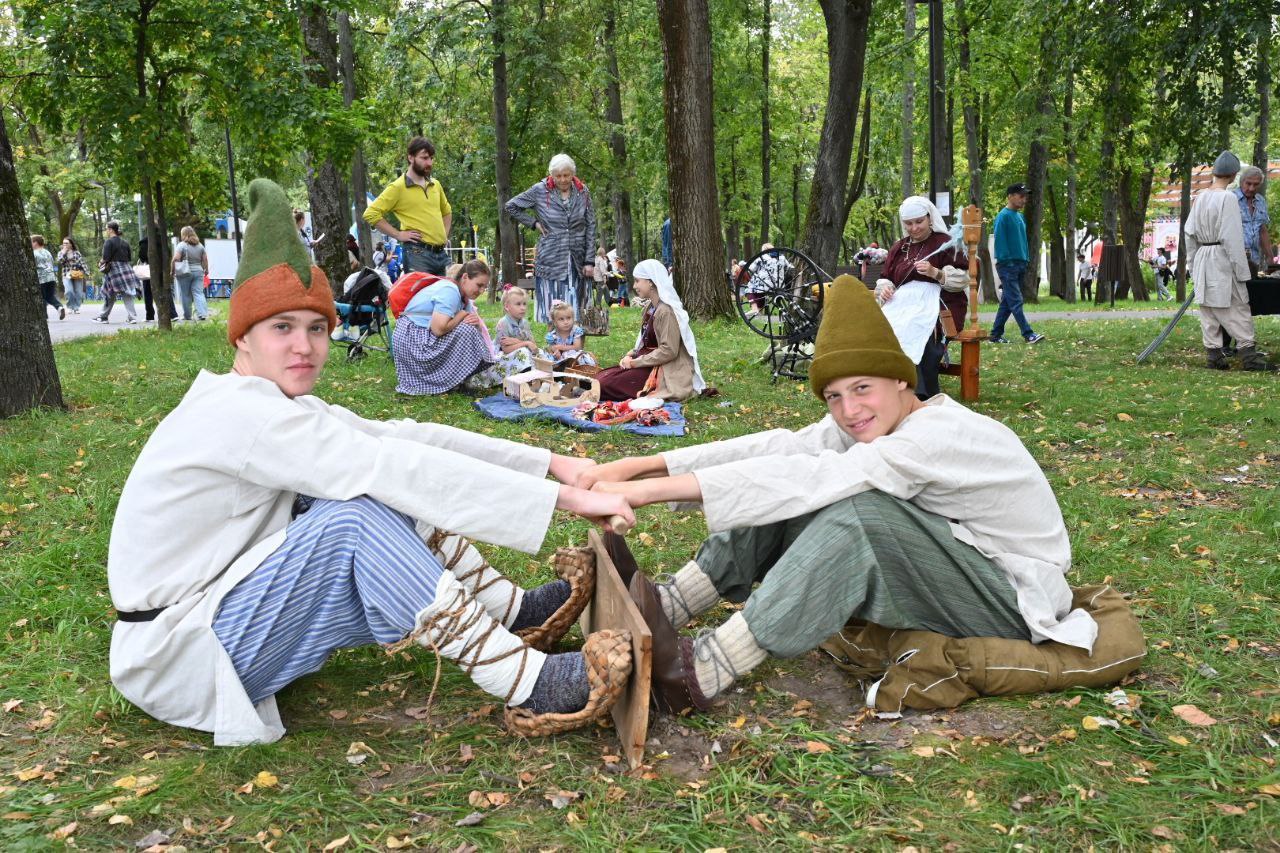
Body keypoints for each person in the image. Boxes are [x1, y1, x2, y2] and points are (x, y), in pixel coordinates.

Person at [107, 178, 635, 747]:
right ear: (242, 339)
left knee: (378, 482)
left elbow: (400, 437)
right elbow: (388, 465)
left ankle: (511, 614)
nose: (303, 347)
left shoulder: (270, 403)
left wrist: (553, 464)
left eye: (315, 328)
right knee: (357, 515)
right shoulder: (243, 414)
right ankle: (529, 683)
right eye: (281, 328)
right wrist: (567, 498)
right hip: (182, 653)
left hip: (216, 614)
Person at [580, 275, 1101, 715]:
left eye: (862, 388)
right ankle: (672, 604)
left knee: (859, 512)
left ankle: (700, 674)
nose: (849, 409)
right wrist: (642, 464)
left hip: (1011, 600)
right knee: (787, 471)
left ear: (901, 381)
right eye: (834, 396)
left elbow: (815, 482)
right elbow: (781, 450)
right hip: (959, 566)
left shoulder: (938, 434)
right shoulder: (879, 424)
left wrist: (647, 493)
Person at [1186, 151, 1274, 371]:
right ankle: (1249, 358)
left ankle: (1214, 356)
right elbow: (1232, 238)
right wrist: (1242, 272)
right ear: (1235, 175)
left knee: (1209, 307)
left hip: (1203, 257)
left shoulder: (1200, 196)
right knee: (1237, 305)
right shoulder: (1227, 198)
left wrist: (1192, 265)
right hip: (1222, 258)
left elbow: (1189, 234)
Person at [873, 196, 969, 399]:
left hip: (937, 303)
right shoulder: (899, 247)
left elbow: (962, 278)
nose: (914, 228)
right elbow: (886, 278)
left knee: (915, 324)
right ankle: (886, 386)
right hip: (901, 303)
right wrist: (886, 289)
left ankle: (920, 391)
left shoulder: (945, 243)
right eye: (909, 223)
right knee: (882, 328)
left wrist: (936, 273)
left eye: (919, 222)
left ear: (929, 218)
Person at [594, 259, 706, 402]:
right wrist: (633, 353)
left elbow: (669, 351)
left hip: (662, 369)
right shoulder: (651, 307)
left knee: (603, 384)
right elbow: (647, 340)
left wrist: (635, 362)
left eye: (637, 281)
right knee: (600, 377)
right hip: (648, 361)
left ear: (651, 282)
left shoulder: (666, 312)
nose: (634, 286)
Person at [505, 154, 597, 324]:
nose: (562, 179)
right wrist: (534, 223)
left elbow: (591, 225)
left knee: (578, 311)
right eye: (558, 176)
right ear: (552, 175)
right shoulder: (539, 190)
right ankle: (553, 349)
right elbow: (511, 206)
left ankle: (576, 349)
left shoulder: (583, 192)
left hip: (578, 259)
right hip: (551, 259)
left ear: (573, 174)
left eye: (567, 175)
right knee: (553, 310)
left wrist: (589, 260)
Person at [392, 258, 497, 395]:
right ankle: (452, 383)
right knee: (466, 331)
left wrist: (472, 320)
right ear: (465, 277)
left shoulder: (462, 296)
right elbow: (438, 329)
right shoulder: (450, 290)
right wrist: (461, 315)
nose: (482, 290)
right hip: (412, 339)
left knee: (469, 328)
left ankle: (456, 382)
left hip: (419, 336)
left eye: (485, 287)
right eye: (479, 285)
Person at [365, 137, 452, 276]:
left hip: (441, 254)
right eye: (424, 158)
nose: (429, 162)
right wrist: (398, 234)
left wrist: (443, 236)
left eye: (431, 158)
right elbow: (371, 213)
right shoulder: (398, 187)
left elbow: (447, 212)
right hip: (417, 254)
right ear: (410, 158)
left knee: (450, 295)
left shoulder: (435, 184)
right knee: (422, 296)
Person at [988, 184, 1044, 344]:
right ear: (1010, 196)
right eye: (1021, 196)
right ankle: (1028, 334)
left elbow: (1022, 241)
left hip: (1020, 263)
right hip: (1008, 265)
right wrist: (1008, 261)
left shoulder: (1019, 217)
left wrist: (1025, 259)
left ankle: (995, 335)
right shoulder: (1003, 216)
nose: (1024, 200)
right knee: (1016, 299)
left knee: (1007, 302)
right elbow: (1000, 241)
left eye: (1025, 196)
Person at [93, 221, 140, 324]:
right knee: (127, 293)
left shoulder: (108, 242)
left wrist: (100, 263)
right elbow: (129, 258)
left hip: (114, 271)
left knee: (109, 293)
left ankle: (103, 317)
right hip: (127, 269)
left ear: (110, 229)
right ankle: (132, 318)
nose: (106, 231)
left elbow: (105, 258)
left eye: (106, 229)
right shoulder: (125, 243)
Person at [1235, 164, 1272, 277]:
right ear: (1241, 181)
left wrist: (1270, 257)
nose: (1251, 188)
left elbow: (1262, 230)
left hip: (1254, 261)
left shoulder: (1261, 201)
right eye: (1248, 183)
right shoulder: (1230, 199)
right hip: (1233, 261)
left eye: (1255, 185)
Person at [172, 226, 211, 322]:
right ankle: (202, 314)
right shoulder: (200, 245)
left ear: (183, 234)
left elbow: (176, 258)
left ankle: (187, 315)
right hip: (198, 271)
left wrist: (172, 270)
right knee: (198, 293)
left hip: (185, 272)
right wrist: (206, 270)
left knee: (185, 294)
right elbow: (205, 259)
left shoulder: (181, 245)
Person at [30, 235, 65, 320]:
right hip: (51, 278)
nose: (30, 244)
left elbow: (32, 266)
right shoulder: (47, 252)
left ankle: (44, 316)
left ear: (36, 243)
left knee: (42, 297)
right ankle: (59, 307)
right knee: (50, 296)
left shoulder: (34, 253)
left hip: (41, 278)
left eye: (31, 242)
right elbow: (52, 262)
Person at [59, 237, 89, 314]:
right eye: (63, 243)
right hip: (66, 274)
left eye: (66, 243)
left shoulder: (77, 253)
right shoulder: (61, 253)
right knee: (69, 291)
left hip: (77, 274)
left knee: (78, 292)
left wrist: (87, 272)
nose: (64, 244)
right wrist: (64, 252)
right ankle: (70, 307)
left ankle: (76, 307)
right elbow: (60, 262)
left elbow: (82, 263)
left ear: (71, 244)